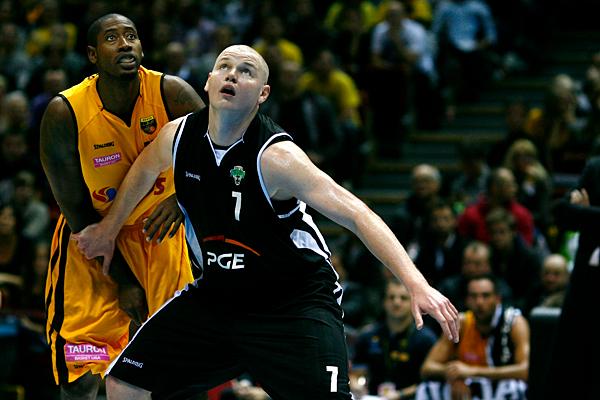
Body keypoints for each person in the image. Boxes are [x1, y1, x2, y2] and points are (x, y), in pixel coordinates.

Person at [73, 44, 459, 399]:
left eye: (246, 71)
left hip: (292, 303)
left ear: (263, 93)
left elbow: (358, 215)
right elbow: (143, 171)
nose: (232, 74)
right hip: (219, 296)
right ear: (208, 81)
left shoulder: (277, 158)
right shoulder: (178, 136)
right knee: (125, 381)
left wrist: (415, 282)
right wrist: (108, 228)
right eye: (224, 66)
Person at [39, 13, 205, 399]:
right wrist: (124, 281)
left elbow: (218, 156)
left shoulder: (171, 93)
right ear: (93, 55)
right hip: (92, 243)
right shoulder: (65, 113)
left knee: (179, 368)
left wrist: (181, 199)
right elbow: (75, 209)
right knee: (82, 372)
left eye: (131, 36)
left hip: (160, 237)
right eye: (112, 38)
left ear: (142, 48)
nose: (125, 43)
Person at [419, 274, 529, 400]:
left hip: (499, 386)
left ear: (497, 299)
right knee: (427, 388)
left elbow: (526, 370)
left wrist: (473, 371)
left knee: (514, 388)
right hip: (468, 386)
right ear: (467, 300)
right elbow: (427, 368)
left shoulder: (515, 323)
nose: (479, 302)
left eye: (485, 296)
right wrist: (456, 375)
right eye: (474, 296)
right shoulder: (462, 323)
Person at [545, 156, 600, 398]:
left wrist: (585, 214)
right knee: (571, 371)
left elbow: (574, 214)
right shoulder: (595, 168)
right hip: (586, 286)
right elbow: (561, 212)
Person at [352, 280, 437, 399]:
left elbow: (430, 383)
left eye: (403, 298)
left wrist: (400, 395)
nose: (396, 302)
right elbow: (356, 373)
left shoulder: (425, 339)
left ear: (414, 303)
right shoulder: (367, 335)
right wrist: (356, 385)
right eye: (391, 297)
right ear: (384, 302)